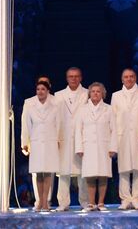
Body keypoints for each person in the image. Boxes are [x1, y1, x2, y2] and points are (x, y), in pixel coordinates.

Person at [21, 77, 64, 212]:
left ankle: (46, 202)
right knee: (38, 173)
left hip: (50, 142)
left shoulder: (55, 106)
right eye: (38, 89)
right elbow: (26, 126)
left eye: (43, 89)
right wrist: (25, 143)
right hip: (36, 143)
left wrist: (59, 141)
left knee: (48, 173)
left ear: (48, 91)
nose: (40, 92)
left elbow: (59, 125)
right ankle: (39, 201)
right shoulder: (30, 106)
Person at [75, 82, 118, 211]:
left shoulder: (108, 109)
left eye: (98, 91)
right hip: (88, 147)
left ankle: (100, 203)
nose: (95, 93)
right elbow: (78, 130)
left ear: (103, 94)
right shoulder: (83, 109)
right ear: (89, 93)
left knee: (103, 175)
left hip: (104, 147)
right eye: (93, 91)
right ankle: (91, 203)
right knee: (91, 175)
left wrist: (113, 148)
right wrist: (79, 148)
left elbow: (114, 130)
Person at [112, 68, 138, 209]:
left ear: (135, 78)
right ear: (122, 79)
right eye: (126, 77)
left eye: (131, 76)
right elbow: (113, 118)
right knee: (123, 168)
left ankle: (136, 198)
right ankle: (125, 199)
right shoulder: (116, 95)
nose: (129, 79)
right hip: (122, 135)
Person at [56, 67, 87, 209]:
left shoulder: (87, 93)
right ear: (67, 78)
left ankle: (85, 202)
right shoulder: (58, 95)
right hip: (64, 137)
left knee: (83, 172)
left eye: (76, 76)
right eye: (71, 76)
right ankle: (63, 202)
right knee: (63, 172)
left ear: (80, 78)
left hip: (82, 137)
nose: (73, 79)